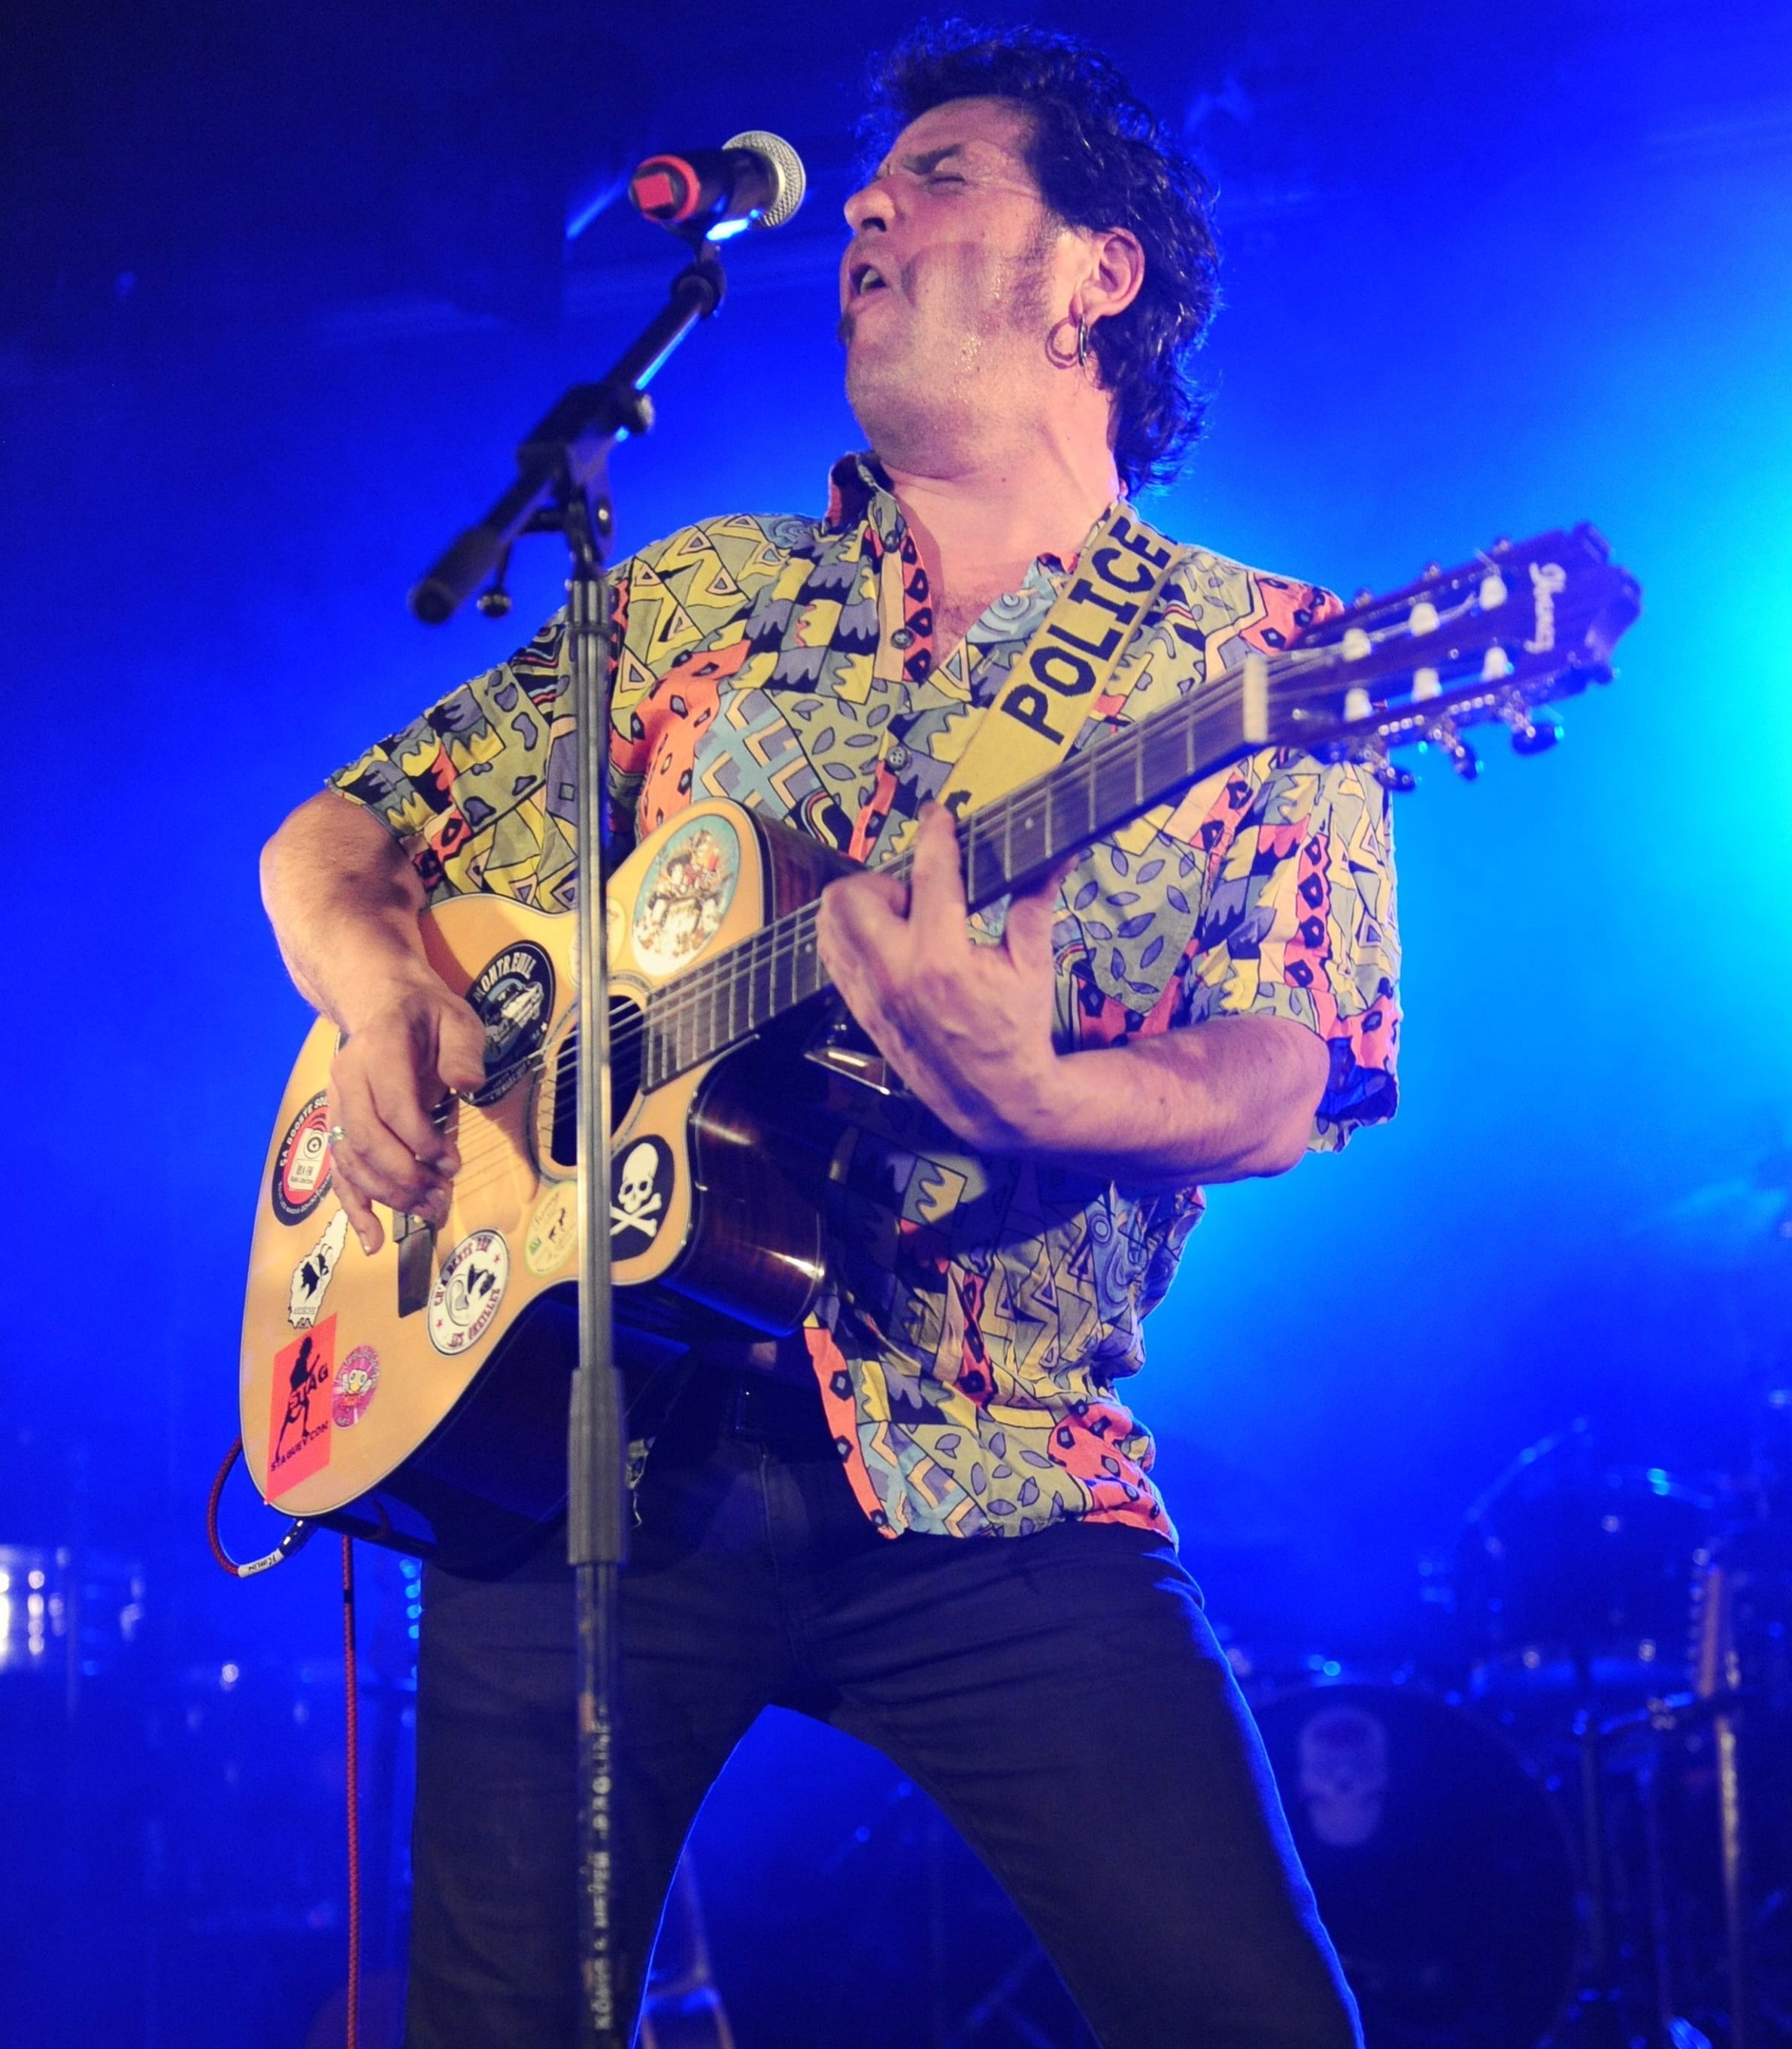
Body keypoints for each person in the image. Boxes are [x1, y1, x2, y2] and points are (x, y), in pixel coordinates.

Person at [260, 23, 1399, 2048]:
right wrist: (383, 996)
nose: (870, 205)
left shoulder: (1266, 661)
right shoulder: (706, 600)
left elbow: (1290, 1070)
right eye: (873, 187)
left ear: (1099, 273)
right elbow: (334, 841)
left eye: (941, 176)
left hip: (1000, 1469)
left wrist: (1042, 1091)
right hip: (592, 1441)